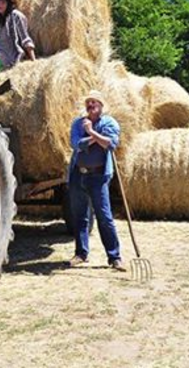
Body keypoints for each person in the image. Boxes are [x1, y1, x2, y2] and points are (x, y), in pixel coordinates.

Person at [67, 90, 126, 271]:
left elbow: (111, 144)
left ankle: (114, 257)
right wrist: (95, 138)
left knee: (104, 217)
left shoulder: (109, 123)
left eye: (94, 102)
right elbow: (77, 144)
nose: (91, 105)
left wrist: (91, 132)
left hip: (99, 177)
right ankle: (81, 253)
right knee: (80, 216)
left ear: (101, 106)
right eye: (88, 103)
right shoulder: (78, 123)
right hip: (78, 175)